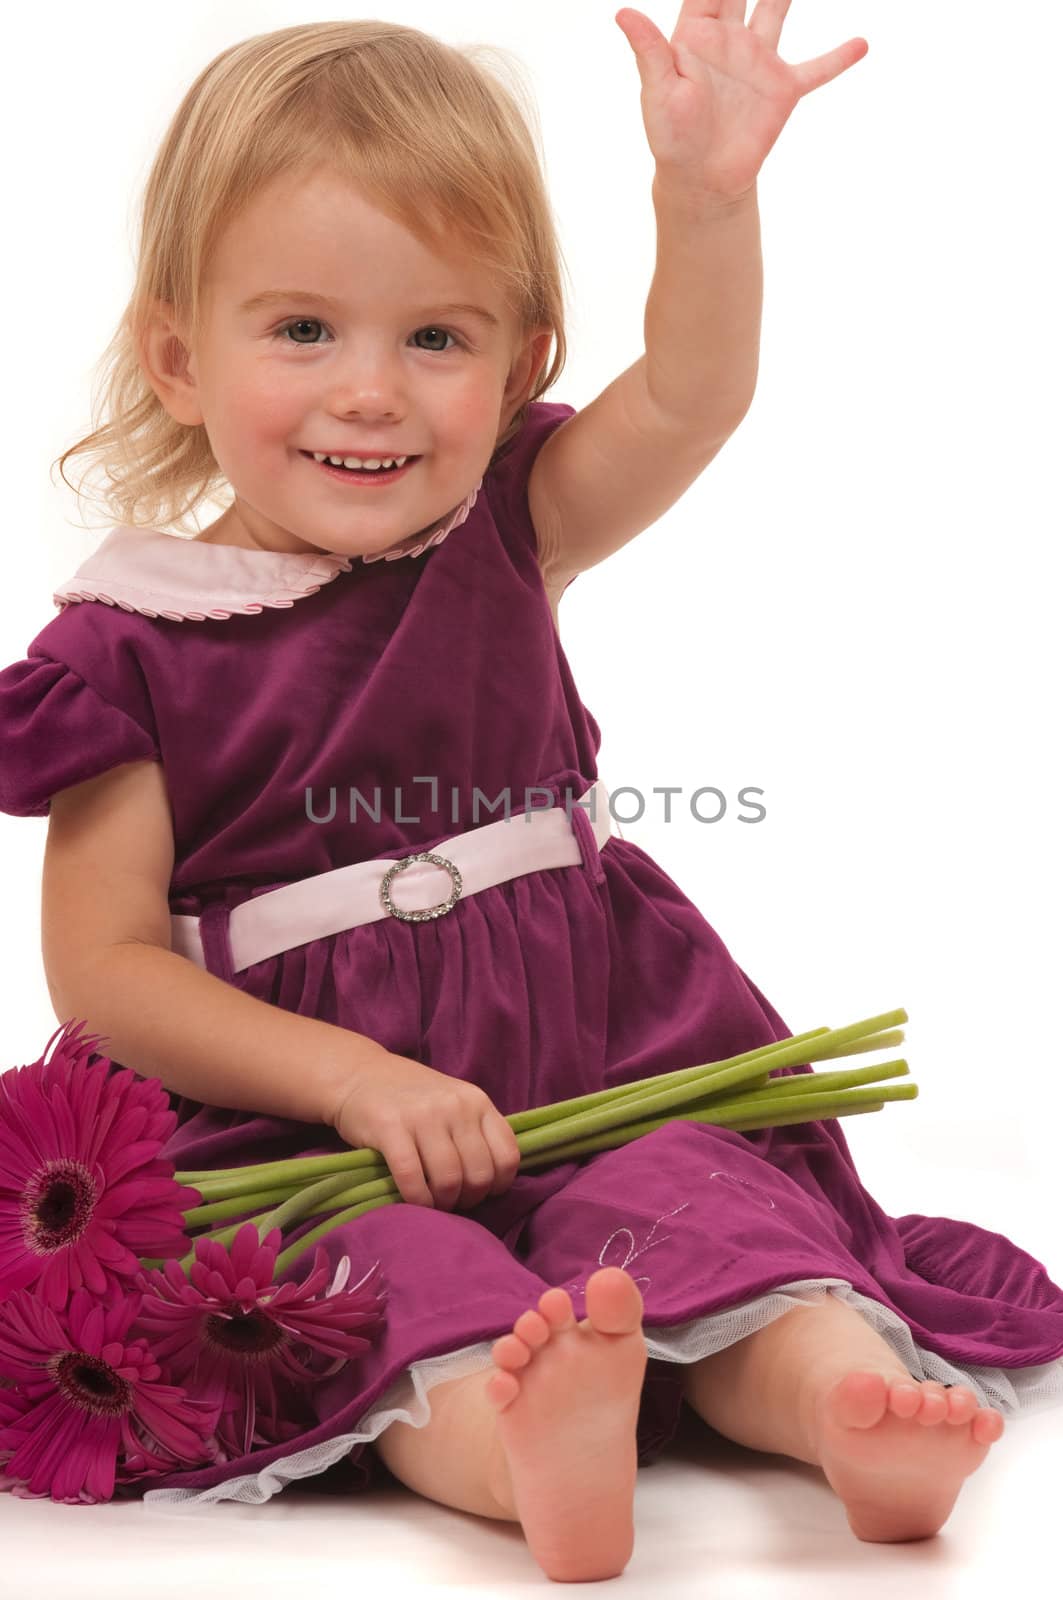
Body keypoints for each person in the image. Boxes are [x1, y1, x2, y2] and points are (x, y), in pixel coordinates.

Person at [0, 10, 1060, 1584]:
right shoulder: (127, 648)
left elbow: (693, 397)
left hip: (596, 1059)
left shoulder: (510, 528)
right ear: (178, 353)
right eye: (302, 331)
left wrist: (705, 202)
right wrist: (355, 1080)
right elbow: (106, 968)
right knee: (384, 1280)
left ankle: (836, 1399)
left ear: (520, 367)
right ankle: (527, 1442)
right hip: (302, 1121)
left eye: (437, 338)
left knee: (700, 1205)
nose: (373, 393)